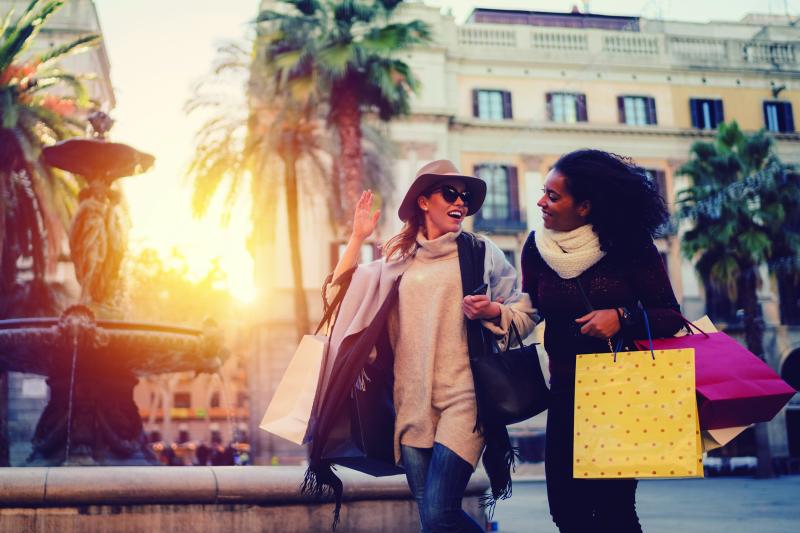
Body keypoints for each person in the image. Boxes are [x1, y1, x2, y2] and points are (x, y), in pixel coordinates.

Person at [305, 160, 536, 532]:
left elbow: (525, 313)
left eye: (464, 196)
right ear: (424, 201)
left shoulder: (481, 253)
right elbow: (338, 296)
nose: (460, 201)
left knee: (440, 513)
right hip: (410, 408)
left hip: (466, 402)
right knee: (431, 520)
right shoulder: (397, 263)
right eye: (450, 193)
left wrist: (493, 310)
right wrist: (356, 238)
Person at [521, 149, 686, 532]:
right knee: (566, 512)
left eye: (553, 196)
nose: (541, 202)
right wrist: (496, 313)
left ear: (585, 207)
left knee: (615, 513)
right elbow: (531, 307)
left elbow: (671, 316)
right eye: (544, 192)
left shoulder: (629, 245)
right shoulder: (536, 247)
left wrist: (622, 318)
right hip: (563, 392)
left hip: (617, 393)